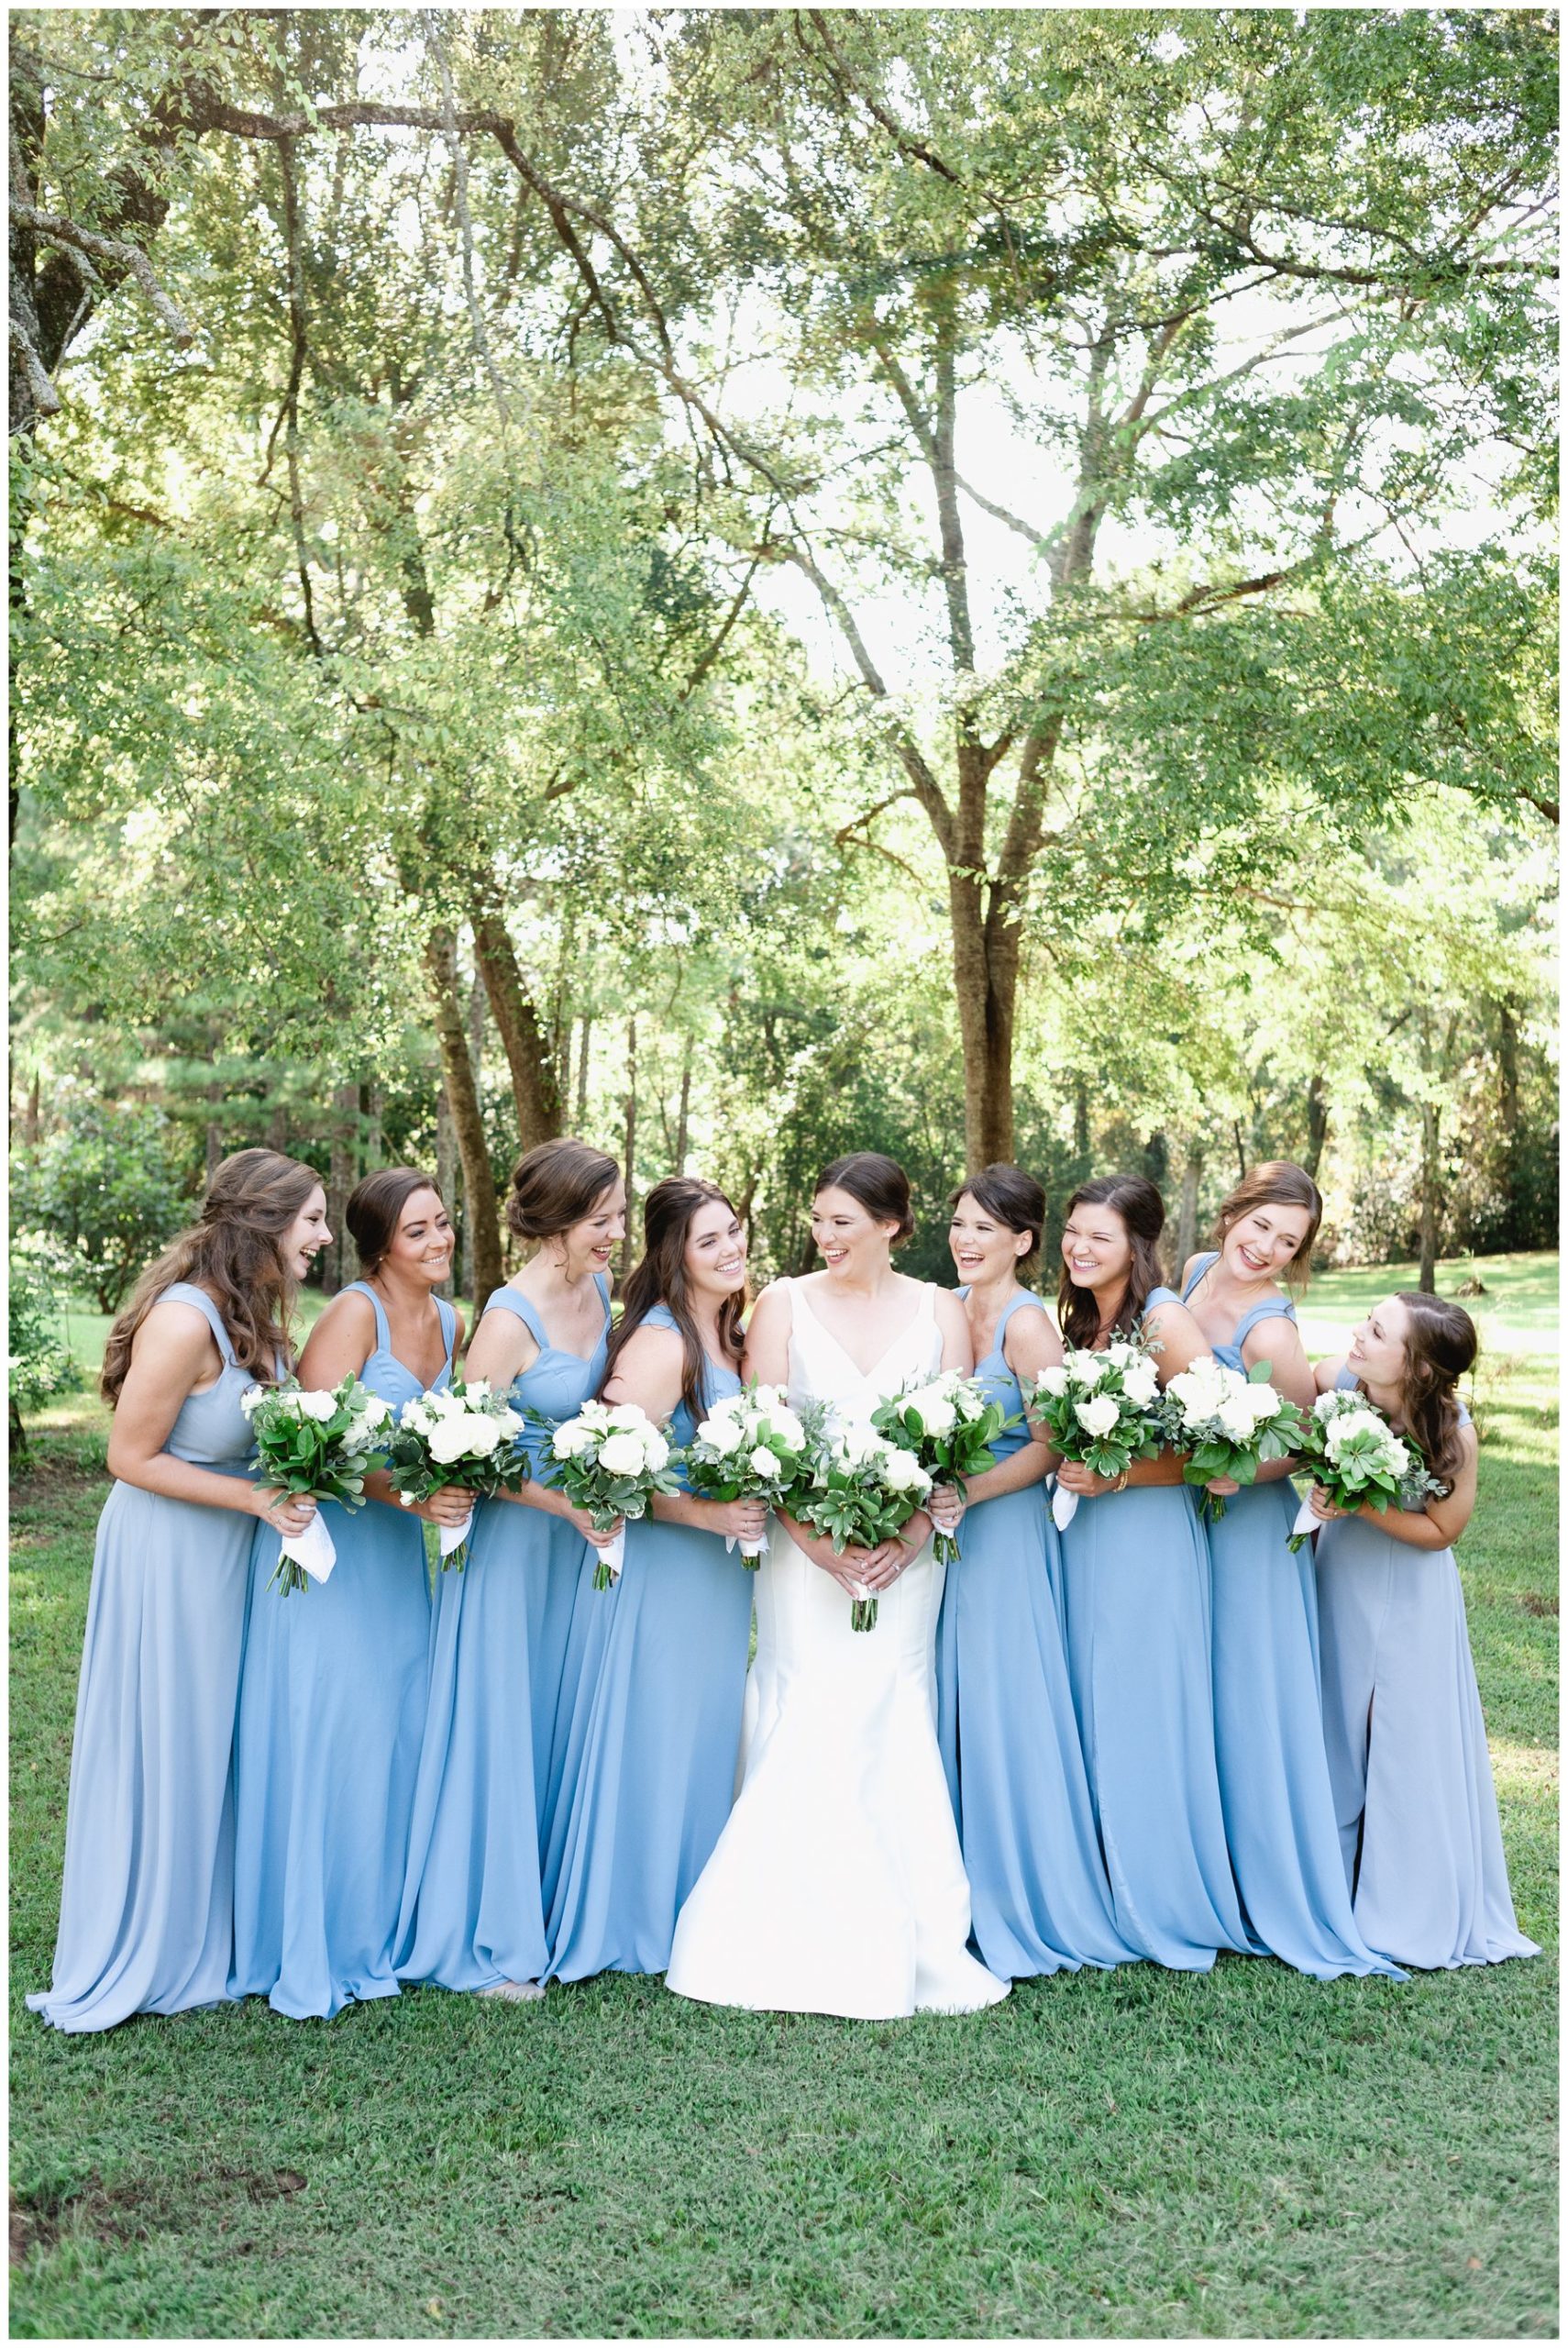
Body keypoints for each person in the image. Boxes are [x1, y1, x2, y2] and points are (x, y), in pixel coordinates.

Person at [667, 1151, 1010, 2019]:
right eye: (817, 1220)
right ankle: (777, 1921)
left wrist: (915, 1529)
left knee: (892, 1700)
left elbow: (954, 1446)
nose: (824, 1237)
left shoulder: (943, 1310)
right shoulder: (782, 1302)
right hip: (800, 1554)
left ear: (892, 1226)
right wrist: (818, 1545)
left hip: (907, 1557)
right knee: (810, 1695)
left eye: (842, 1223)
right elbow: (762, 1441)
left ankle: (914, 1928)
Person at [28, 1149, 329, 2032]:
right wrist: (254, 1498)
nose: (320, 1236)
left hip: (227, 1553)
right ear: (263, 1224)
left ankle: (204, 1929)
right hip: (166, 1551)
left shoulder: (256, 1319)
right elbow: (127, 1457)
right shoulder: (186, 1318)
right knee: (165, 1731)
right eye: (309, 1219)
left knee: (211, 1735)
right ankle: (147, 1938)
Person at [231, 1168, 467, 2019]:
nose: (439, 1240)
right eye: (418, 1231)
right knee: (336, 1734)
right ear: (379, 1246)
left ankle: (380, 1923)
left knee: (394, 1733)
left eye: (443, 1224)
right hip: (331, 1561)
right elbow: (310, 1452)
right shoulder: (352, 1314)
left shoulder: (450, 1318)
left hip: (401, 1564)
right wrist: (410, 1493)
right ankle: (307, 1932)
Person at [395, 1139, 623, 1999]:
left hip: (580, 1536)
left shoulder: (598, 1289)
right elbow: (465, 1455)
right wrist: (564, 1502)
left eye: (617, 1216)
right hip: (515, 1543)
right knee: (503, 1717)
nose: (614, 1233)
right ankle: (488, 1929)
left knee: (561, 1711)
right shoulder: (506, 1320)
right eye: (601, 1220)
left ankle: (555, 1898)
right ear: (559, 1222)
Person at [1179, 1163, 1401, 1982]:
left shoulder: (1272, 1331)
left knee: (1247, 1695)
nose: (1265, 1248)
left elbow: (1302, 1444)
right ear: (1236, 1209)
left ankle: (1261, 1880)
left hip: (1246, 1530)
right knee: (1195, 1689)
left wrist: (1245, 1472)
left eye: (1287, 1241)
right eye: (1261, 1225)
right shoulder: (1198, 1270)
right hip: (1184, 1518)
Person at [544, 1177, 761, 1981]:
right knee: (654, 1732)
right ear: (675, 1255)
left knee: (700, 1733)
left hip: (717, 1579)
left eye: (733, 1231)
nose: (731, 1248)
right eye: (709, 1240)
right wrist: (707, 1517)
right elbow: (609, 1474)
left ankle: (688, 1906)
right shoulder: (664, 1342)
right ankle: (629, 1915)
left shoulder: (733, 1335)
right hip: (665, 1575)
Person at [935, 1165, 1138, 1978]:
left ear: (1022, 1242)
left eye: (985, 1228)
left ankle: (1023, 1890)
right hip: (945, 1534)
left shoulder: (1027, 1328)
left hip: (1005, 1534)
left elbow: (1056, 1445)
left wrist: (968, 1494)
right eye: (958, 1224)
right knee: (949, 1694)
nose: (965, 1240)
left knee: (1004, 1700)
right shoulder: (945, 1309)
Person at [1053, 1174, 1251, 1971]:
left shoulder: (1163, 1319)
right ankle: (1104, 1883)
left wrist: (1120, 1476)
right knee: (1096, 1703)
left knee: (1142, 1707)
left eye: (1098, 1237)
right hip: (1086, 1540)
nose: (1078, 1248)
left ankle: (1159, 1893)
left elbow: (1227, 1446)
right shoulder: (1086, 1317)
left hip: (1145, 1541)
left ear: (1136, 1245)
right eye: (1072, 1231)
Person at [1310, 1293, 1539, 1970]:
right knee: (1334, 1727)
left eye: (1376, 1331)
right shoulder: (1343, 1386)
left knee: (1405, 1738)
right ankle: (1330, 1887)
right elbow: (1303, 1387)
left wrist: (1359, 1502)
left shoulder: (1452, 1434)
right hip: (1339, 1580)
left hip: (1409, 1595)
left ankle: (1405, 1907)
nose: (1359, 1332)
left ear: (1414, 1368)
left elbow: (1442, 1533)